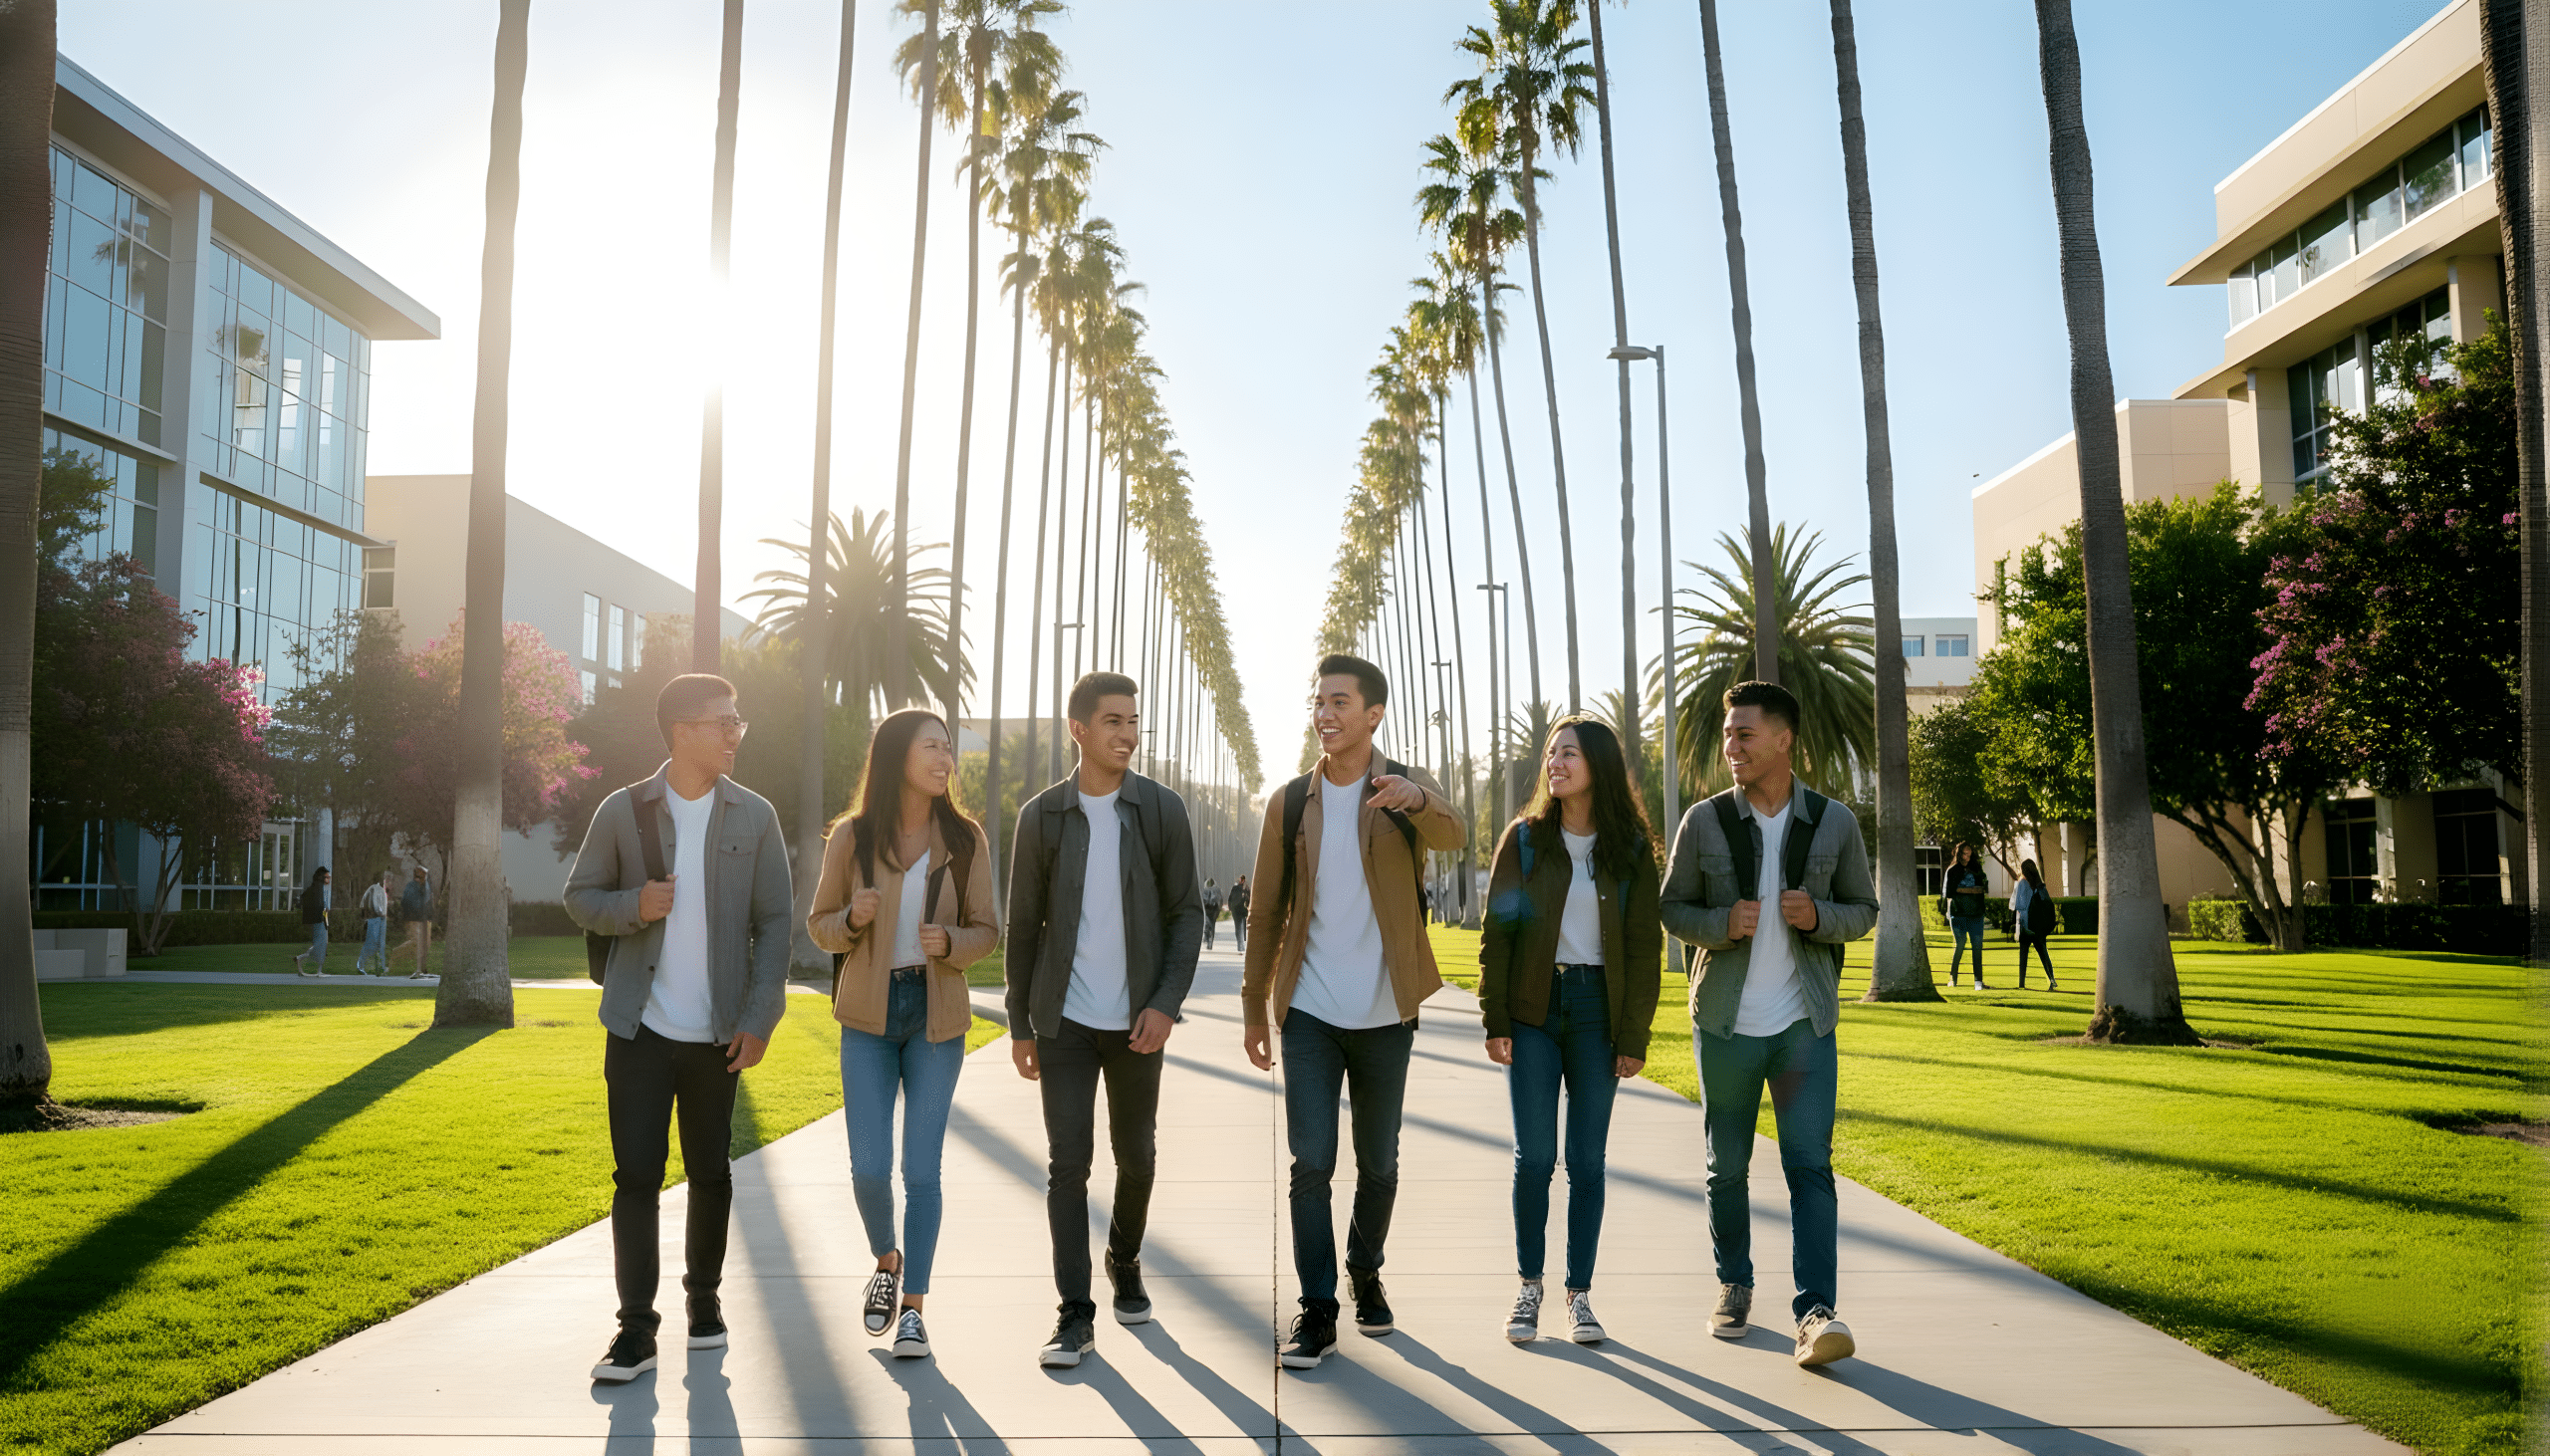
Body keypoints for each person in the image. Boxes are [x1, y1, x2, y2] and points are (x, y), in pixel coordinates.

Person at [566, 672, 795, 1383]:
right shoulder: (623, 810)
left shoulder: (754, 816)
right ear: (681, 731)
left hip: (719, 1033)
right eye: (723, 721)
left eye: (738, 721)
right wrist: (636, 903)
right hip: (638, 1029)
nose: (735, 732)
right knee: (635, 1176)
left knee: (710, 1173)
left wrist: (761, 1018)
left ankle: (704, 1303)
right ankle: (635, 1330)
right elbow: (580, 897)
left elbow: (776, 923)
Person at [1242, 653, 1465, 1370]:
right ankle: (1317, 1307)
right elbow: (1265, 910)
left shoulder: (1404, 786)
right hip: (1308, 1010)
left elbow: (1456, 835)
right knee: (1311, 1163)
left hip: (1384, 1012)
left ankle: (1364, 1270)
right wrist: (1254, 1007)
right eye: (1319, 702)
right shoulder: (1289, 803)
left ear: (1373, 714)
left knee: (1379, 1164)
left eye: (1340, 702)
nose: (1325, 714)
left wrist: (1416, 800)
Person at [1658, 679, 1880, 1369]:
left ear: (1784, 739)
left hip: (1803, 1025)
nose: (1732, 746)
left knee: (1809, 1166)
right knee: (1727, 1167)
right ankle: (1735, 1284)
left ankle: (1816, 1313)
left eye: (1744, 734)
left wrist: (1819, 917)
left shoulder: (1834, 821)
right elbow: (1672, 909)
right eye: (1728, 735)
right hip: (1724, 1024)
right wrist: (1721, 925)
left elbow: (1863, 910)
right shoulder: (1704, 821)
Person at [1004, 671, 1202, 1368]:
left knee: (1138, 1155)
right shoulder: (1043, 818)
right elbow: (1023, 927)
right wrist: (1019, 1022)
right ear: (1079, 730)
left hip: (1137, 1023)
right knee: (1067, 1167)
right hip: (1063, 1023)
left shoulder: (1160, 810)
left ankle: (1124, 1253)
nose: (1128, 733)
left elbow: (1186, 915)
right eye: (1113, 721)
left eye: (1134, 720)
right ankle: (1074, 1314)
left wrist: (1163, 1005)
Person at [808, 707, 999, 1363]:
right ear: (896, 757)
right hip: (866, 1018)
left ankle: (913, 1308)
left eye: (949, 748)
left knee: (922, 1168)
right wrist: (852, 920)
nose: (946, 759)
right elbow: (819, 924)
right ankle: (886, 1256)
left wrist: (951, 942)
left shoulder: (965, 839)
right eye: (932, 747)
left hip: (935, 1018)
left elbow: (987, 930)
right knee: (867, 1168)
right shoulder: (852, 838)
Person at [1478, 715, 1660, 1346]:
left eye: (1570, 754)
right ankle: (1529, 1286)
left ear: (1599, 766)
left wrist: (1634, 1035)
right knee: (1535, 1158)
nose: (1555, 763)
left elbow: (1643, 947)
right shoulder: (1524, 839)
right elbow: (1496, 936)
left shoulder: (1631, 848)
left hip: (1598, 1016)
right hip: (1534, 1011)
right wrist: (1494, 1019)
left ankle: (1579, 1295)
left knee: (1586, 1162)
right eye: (1551, 753)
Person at [1942, 845, 1991, 988]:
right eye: (1964, 854)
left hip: (1976, 914)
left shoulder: (1976, 869)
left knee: (1977, 947)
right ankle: (1953, 978)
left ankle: (1978, 982)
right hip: (1958, 914)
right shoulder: (1952, 871)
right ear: (1958, 854)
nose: (1966, 858)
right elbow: (1949, 893)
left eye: (1969, 855)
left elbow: (1984, 888)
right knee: (1960, 944)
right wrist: (1966, 890)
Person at [2011, 857, 2058, 991]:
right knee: (2044, 953)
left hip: (2026, 925)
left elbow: (2020, 905)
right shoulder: (2040, 885)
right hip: (2039, 926)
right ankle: (2051, 979)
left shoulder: (2022, 884)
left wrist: (2022, 924)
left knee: (2023, 954)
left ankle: (2021, 984)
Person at [388, 866, 434, 978]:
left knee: (425, 944)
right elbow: (406, 902)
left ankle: (422, 968)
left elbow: (428, 900)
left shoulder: (426, 886)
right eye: (423, 874)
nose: (425, 876)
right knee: (416, 942)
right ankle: (395, 955)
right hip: (415, 919)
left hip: (425, 919)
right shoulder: (411, 886)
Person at [291, 867, 332, 976]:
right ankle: (302, 959)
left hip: (321, 918)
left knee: (322, 943)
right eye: (327, 877)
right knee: (321, 944)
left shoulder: (318, 887)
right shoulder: (318, 888)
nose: (328, 879)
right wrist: (325, 919)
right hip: (320, 919)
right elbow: (321, 907)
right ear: (322, 877)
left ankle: (317, 969)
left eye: (329, 877)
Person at [357, 869, 395, 976]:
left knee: (381, 944)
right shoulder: (376, 888)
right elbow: (375, 903)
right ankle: (360, 965)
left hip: (381, 919)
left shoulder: (382, 890)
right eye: (387, 879)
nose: (389, 881)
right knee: (371, 942)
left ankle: (381, 967)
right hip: (375, 918)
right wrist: (381, 913)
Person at [1201, 877, 1224, 950]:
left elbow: (1202, 901)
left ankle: (1206, 938)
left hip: (1207, 909)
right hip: (1215, 910)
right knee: (1212, 925)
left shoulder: (1204, 890)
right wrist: (1219, 910)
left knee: (1207, 924)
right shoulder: (1217, 890)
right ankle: (1210, 942)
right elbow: (1221, 900)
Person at [1225, 875, 1250, 941]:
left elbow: (1249, 898)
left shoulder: (1244, 888)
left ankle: (1242, 937)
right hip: (1238, 908)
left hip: (1240, 908)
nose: (1241, 881)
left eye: (1242, 880)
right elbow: (1231, 898)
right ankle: (1241, 937)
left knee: (1241, 923)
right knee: (1239, 923)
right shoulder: (1237, 888)